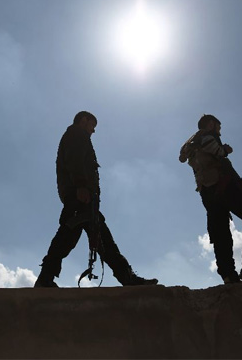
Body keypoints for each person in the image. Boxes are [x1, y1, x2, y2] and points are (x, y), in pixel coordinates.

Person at [34, 111, 158, 287]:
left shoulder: (75, 136)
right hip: (80, 198)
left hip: (81, 199)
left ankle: (45, 278)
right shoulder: (77, 134)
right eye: (92, 125)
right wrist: (81, 186)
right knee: (79, 240)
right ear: (84, 121)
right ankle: (128, 279)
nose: (93, 130)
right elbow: (75, 161)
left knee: (84, 240)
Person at [179, 114, 242, 284]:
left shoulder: (191, 145)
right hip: (225, 185)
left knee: (221, 233)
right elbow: (218, 151)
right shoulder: (207, 137)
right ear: (210, 124)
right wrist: (226, 150)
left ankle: (228, 274)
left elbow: (182, 158)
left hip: (207, 193)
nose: (220, 132)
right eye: (218, 127)